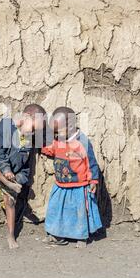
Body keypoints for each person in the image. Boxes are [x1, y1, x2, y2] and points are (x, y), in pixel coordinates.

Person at [0, 104, 46, 249]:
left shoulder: (27, 140)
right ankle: (6, 183)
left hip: (12, 178)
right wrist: (6, 169)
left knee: (10, 202)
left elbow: (26, 166)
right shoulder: (6, 126)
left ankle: (10, 235)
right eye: (34, 128)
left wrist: (19, 178)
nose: (34, 133)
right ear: (26, 117)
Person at [41, 106, 102, 248]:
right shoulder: (59, 140)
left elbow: (91, 163)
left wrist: (93, 180)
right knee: (56, 210)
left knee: (79, 212)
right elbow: (50, 150)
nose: (56, 134)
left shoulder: (83, 142)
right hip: (60, 185)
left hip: (79, 186)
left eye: (58, 130)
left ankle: (81, 236)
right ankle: (56, 235)